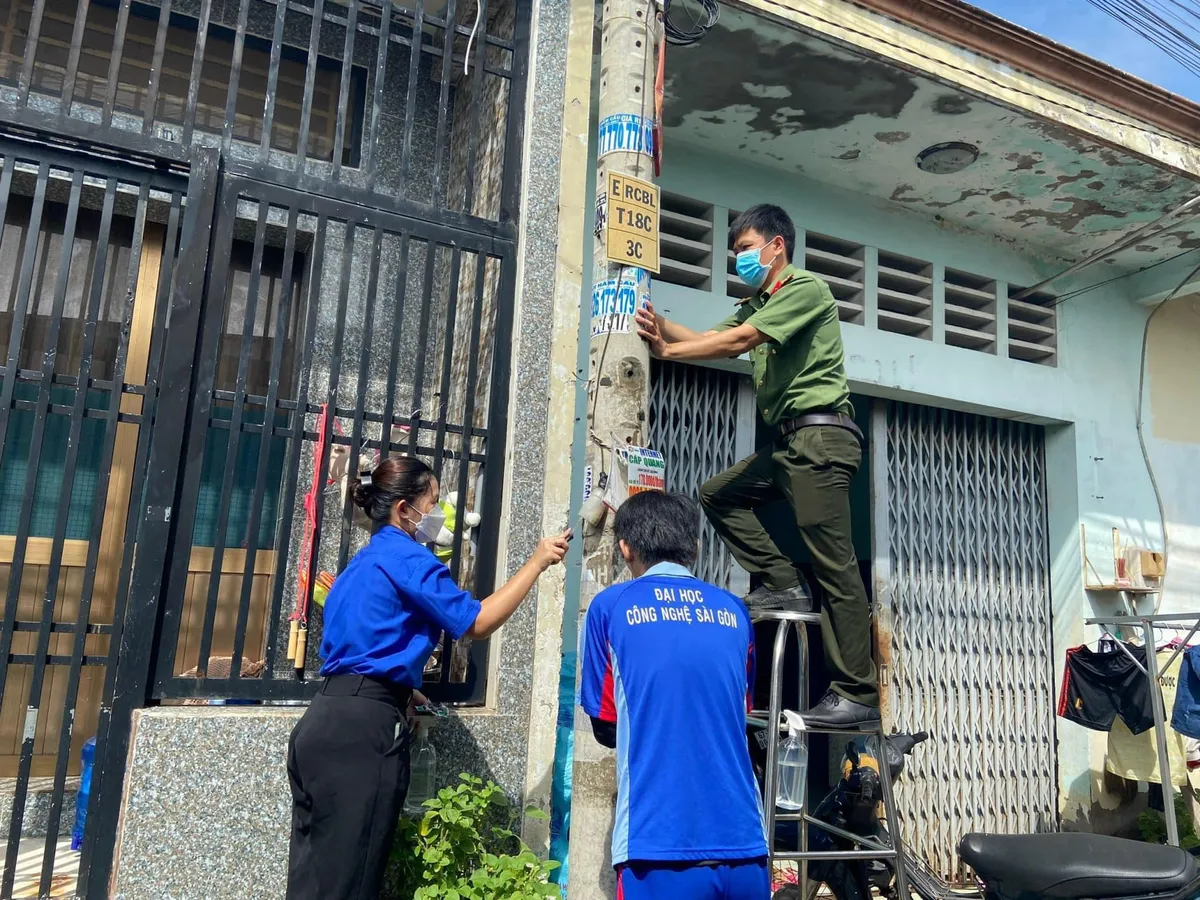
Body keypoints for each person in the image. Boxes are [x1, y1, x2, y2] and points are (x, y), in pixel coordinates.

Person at [634, 203, 878, 730]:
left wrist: (668, 354)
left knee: (834, 563)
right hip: (790, 445)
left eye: (745, 248)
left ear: (776, 246)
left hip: (820, 438)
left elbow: (740, 342)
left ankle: (858, 691)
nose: (739, 259)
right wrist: (652, 322)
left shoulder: (805, 290)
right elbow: (706, 338)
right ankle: (783, 581)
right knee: (718, 493)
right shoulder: (759, 301)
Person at [286, 455, 570, 900]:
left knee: (314, 880)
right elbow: (475, 623)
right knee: (353, 882)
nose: (437, 514)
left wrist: (405, 689)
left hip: (320, 725)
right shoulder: (408, 558)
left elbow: (360, 651)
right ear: (404, 509)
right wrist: (537, 562)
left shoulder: (359, 566)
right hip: (364, 735)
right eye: (432, 503)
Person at [579, 491, 769, 900]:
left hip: (658, 850)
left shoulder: (610, 607)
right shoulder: (735, 611)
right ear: (696, 548)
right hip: (746, 846)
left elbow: (605, 727)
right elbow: (739, 713)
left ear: (625, 549)